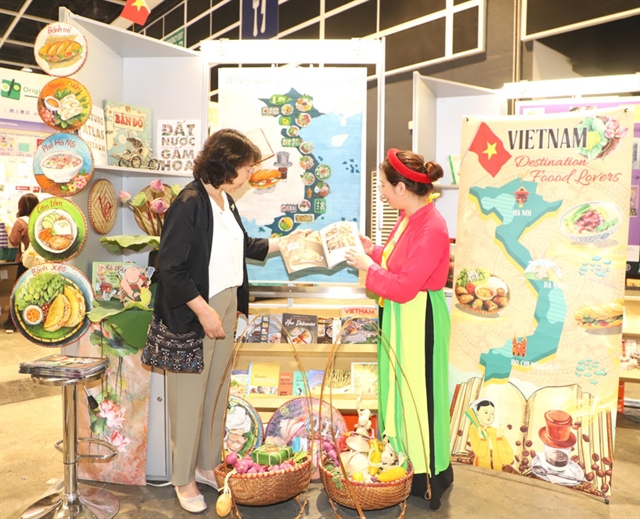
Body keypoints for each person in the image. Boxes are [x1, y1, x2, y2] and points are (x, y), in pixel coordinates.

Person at [155, 129, 284, 513]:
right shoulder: (190, 202)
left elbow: (243, 247)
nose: (249, 175)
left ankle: (207, 464)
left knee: (216, 393)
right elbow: (170, 268)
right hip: (196, 310)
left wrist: (287, 243)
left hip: (226, 304)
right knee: (188, 398)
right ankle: (183, 478)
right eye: (246, 167)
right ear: (227, 165)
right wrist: (204, 310)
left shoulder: (225, 200)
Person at [345, 148, 454, 510]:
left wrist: (368, 266)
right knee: (399, 394)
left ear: (402, 188)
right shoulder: (410, 217)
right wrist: (373, 251)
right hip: (401, 315)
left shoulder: (432, 226)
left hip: (419, 318)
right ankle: (403, 466)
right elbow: (399, 261)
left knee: (419, 397)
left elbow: (407, 285)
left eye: (384, 187)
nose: (382, 193)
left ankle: (427, 477)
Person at [4, 193, 39, 332]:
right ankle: (33, 322)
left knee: (18, 291)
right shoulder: (40, 220)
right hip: (41, 262)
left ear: (21, 206)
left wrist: (8, 228)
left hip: (26, 262)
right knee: (36, 292)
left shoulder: (20, 222)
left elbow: (14, 241)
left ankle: (12, 324)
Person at [468, 399, 514, 471]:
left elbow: (507, 459)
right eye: (486, 412)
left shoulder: (496, 431)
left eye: (492, 413)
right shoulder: (474, 429)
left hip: (497, 473)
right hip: (479, 470)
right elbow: (480, 453)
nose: (489, 416)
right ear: (477, 413)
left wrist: (499, 438)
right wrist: (483, 439)